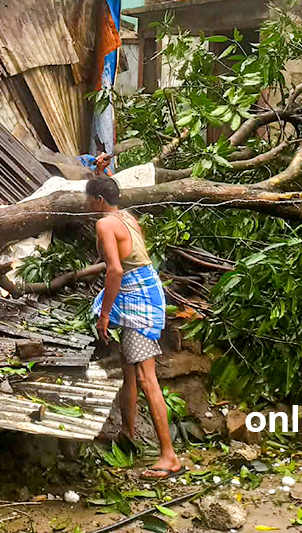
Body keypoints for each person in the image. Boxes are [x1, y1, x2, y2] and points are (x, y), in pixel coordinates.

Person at [87, 175, 182, 478]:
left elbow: (115, 270)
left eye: (89, 199)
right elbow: (127, 261)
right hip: (143, 289)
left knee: (145, 376)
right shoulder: (128, 218)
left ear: (99, 199)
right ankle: (128, 434)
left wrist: (104, 315)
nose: (86, 205)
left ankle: (169, 456)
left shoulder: (104, 224)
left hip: (138, 299)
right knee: (129, 371)